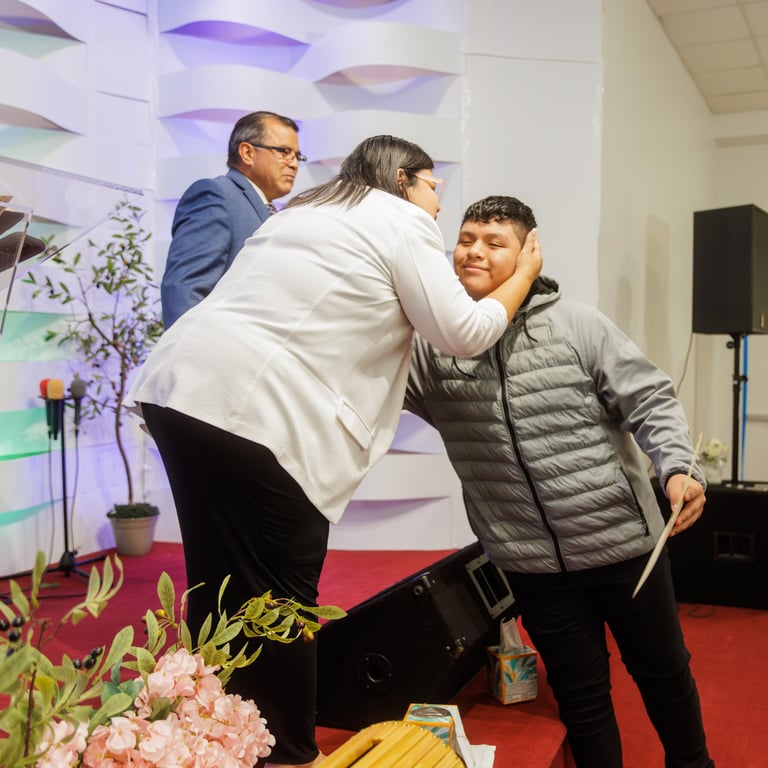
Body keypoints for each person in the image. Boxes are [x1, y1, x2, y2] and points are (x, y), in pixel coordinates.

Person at [126, 139, 543, 768]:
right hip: (261, 414)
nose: (438, 203)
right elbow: (464, 332)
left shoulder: (302, 213)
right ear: (403, 180)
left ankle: (214, 738)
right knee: (283, 596)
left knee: (219, 584)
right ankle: (288, 753)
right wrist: (522, 277)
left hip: (183, 393)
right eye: (434, 187)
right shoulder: (400, 219)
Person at [405, 195, 715, 768]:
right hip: (530, 563)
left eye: (494, 242)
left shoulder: (577, 324)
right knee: (581, 696)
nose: (473, 251)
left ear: (530, 252)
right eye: (466, 239)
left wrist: (678, 467)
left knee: (664, 675)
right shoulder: (434, 348)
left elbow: (650, 399)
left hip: (624, 547)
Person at [160, 110, 303, 327]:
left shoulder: (271, 211)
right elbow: (185, 288)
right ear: (247, 153)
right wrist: (193, 346)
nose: (294, 164)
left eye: (297, 156)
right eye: (284, 152)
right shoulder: (216, 194)